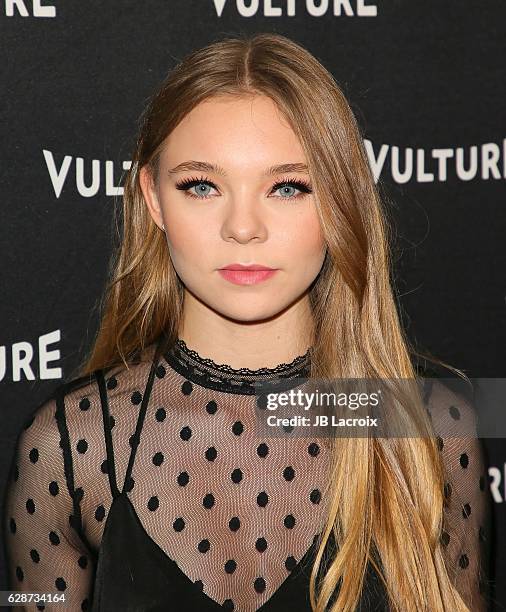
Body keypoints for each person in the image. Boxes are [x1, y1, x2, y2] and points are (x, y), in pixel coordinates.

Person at [3, 33, 491, 612]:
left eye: (287, 187)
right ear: (154, 199)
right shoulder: (72, 446)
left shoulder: (428, 433)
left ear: (339, 200)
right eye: (201, 186)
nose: (242, 227)